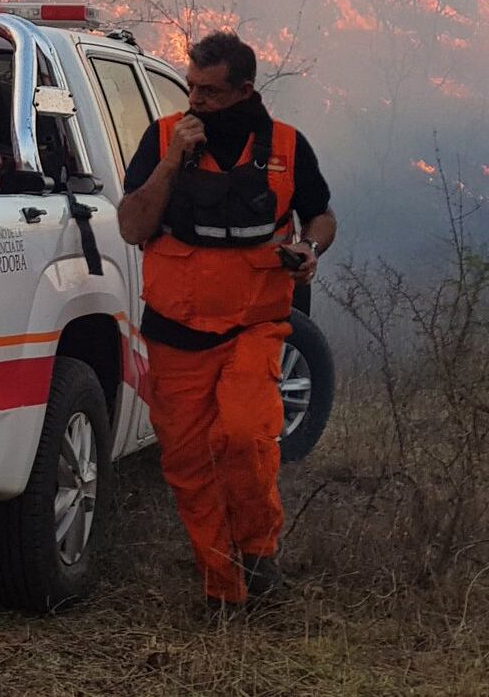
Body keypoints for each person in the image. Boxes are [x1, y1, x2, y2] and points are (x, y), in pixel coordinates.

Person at [117, 30, 336, 608]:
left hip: (254, 325)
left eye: (209, 92)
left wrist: (311, 249)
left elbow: (321, 215)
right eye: (190, 87)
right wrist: (171, 161)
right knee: (188, 463)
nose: (196, 101)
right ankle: (223, 589)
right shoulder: (163, 137)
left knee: (245, 437)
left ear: (244, 89)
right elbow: (134, 227)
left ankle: (259, 551)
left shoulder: (288, 145)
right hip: (175, 332)